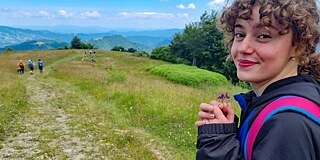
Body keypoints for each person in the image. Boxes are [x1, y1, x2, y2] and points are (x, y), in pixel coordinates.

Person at [195, 0, 320, 159]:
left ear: (298, 46)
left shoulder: (288, 123)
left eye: (263, 36)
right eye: (239, 35)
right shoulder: (272, 103)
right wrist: (225, 134)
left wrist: (217, 144)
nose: (243, 48)